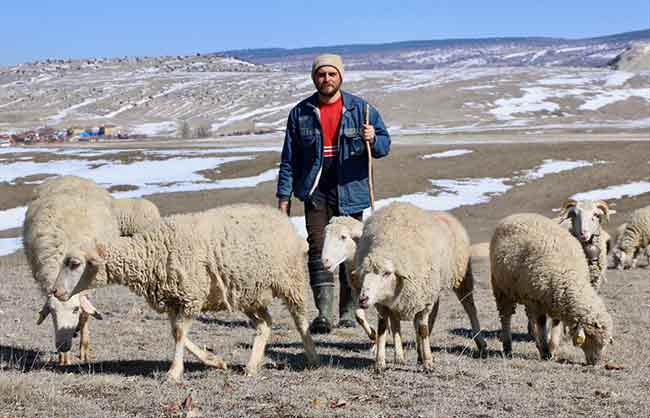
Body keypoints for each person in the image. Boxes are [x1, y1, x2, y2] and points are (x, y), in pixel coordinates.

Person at [276, 54, 391, 334]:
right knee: (318, 249)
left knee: (350, 252)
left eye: (331, 74)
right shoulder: (301, 112)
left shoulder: (361, 109)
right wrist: (284, 198)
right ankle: (324, 314)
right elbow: (289, 159)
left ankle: (349, 312)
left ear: (340, 77)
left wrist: (372, 137)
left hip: (350, 189)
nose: (326, 79)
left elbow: (384, 146)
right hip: (315, 191)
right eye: (321, 75)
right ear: (314, 77)